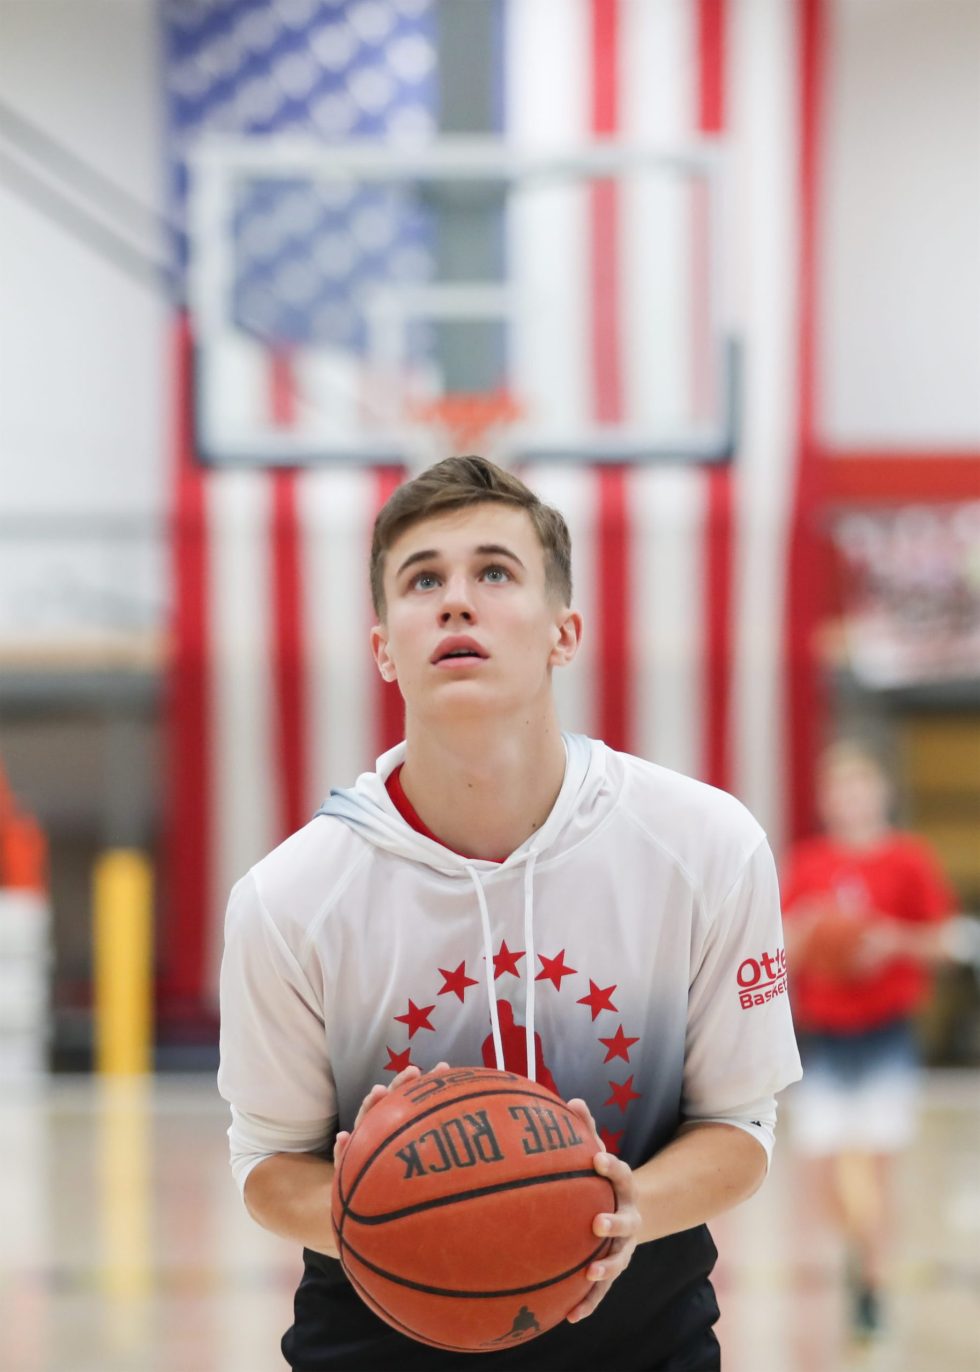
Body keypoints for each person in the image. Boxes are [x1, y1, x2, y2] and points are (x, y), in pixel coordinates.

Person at [218, 455, 802, 1371]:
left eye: (495, 571)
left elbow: (741, 1127)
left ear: (564, 632)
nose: (457, 601)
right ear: (383, 648)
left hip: (643, 1347)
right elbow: (267, 1165)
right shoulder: (288, 899)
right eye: (423, 579)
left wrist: (618, 1214)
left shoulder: (706, 846)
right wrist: (404, 1224)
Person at [781, 740, 956, 1340]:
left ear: (880, 794)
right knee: (823, 1170)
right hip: (825, 1034)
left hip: (884, 1032)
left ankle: (874, 1282)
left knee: (878, 1167)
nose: (851, 801)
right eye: (840, 791)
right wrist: (806, 935)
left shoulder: (908, 859)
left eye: (861, 788)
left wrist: (889, 941)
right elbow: (779, 947)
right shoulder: (808, 864)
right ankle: (857, 1247)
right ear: (827, 801)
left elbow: (943, 939)